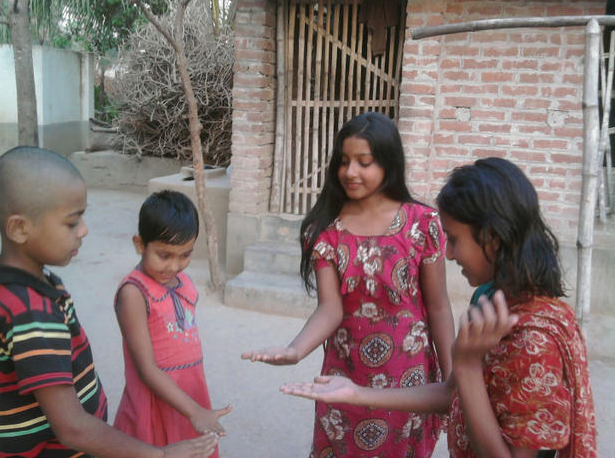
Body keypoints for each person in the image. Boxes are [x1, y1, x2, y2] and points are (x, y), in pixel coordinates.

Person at [281, 157, 598, 458]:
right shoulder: (491, 300)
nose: (449, 254)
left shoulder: (535, 342)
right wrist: (356, 393)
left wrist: (468, 366)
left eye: (454, 239)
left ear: (492, 237)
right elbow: (453, 394)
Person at [0, 146, 218, 458]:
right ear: (20, 228)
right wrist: (161, 455)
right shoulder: (31, 312)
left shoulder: (12, 286)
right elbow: (73, 428)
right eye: (71, 222)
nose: (84, 230)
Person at [242, 112, 455, 457]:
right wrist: (295, 350)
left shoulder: (422, 224)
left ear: (388, 162)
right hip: (344, 376)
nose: (350, 172)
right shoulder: (325, 229)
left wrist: (452, 383)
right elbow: (330, 308)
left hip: (409, 380)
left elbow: (439, 307)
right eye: (343, 161)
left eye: (363, 162)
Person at [113, 190, 231, 454]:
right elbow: (146, 369)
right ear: (140, 244)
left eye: (185, 255)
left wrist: (195, 408)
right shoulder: (134, 293)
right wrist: (195, 411)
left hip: (189, 395)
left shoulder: (184, 283)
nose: (174, 266)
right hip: (155, 402)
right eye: (164, 255)